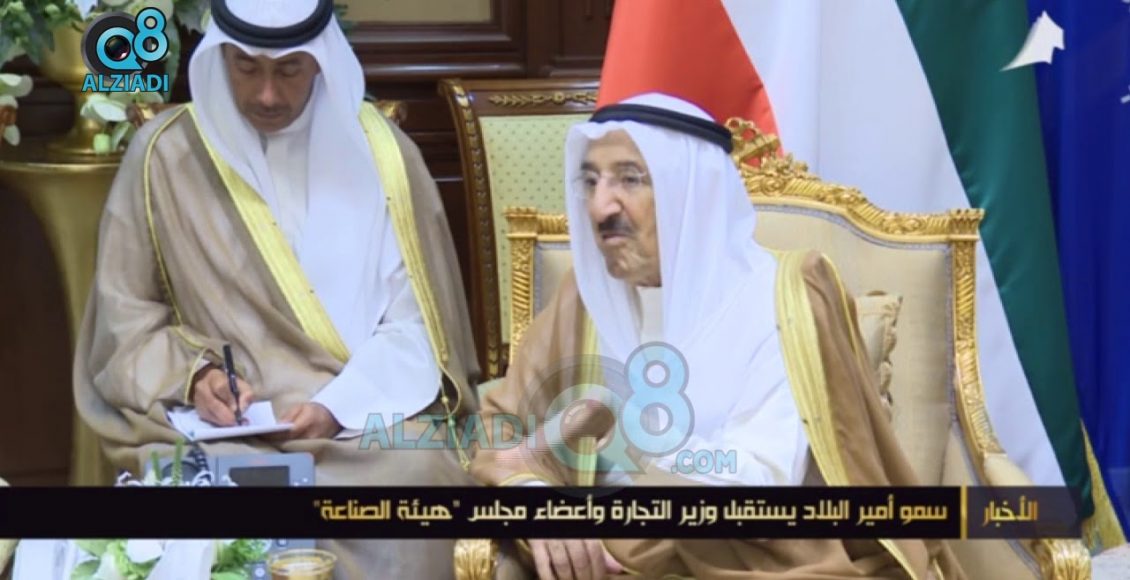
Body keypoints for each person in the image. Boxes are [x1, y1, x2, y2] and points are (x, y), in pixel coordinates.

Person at [469, 93, 968, 580]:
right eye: (591, 181)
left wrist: (625, 434)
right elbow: (501, 432)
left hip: (765, 560)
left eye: (629, 179)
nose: (601, 208)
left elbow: (761, 480)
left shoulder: (786, 294)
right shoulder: (585, 297)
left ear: (692, 192)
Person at [73, 0, 480, 577]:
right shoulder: (163, 156)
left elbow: (418, 329)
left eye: (289, 70)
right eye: (246, 67)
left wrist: (337, 406)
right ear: (220, 57)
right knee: (199, 485)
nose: (267, 95)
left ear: (321, 61)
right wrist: (197, 377)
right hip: (219, 429)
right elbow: (125, 322)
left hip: (358, 423)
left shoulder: (384, 157)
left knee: (420, 474)